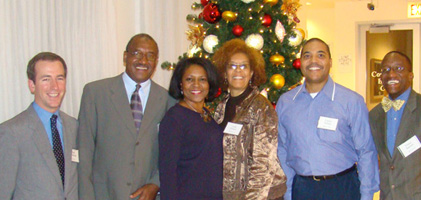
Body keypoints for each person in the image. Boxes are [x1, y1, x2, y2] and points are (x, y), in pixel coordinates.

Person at [277, 38, 379, 200]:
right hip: (302, 189)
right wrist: (289, 191)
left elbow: (366, 151)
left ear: (330, 62)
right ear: (301, 62)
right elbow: (282, 149)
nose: (314, 61)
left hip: (342, 188)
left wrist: (366, 195)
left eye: (320, 55)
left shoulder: (351, 101)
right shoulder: (286, 102)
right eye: (307, 56)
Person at [78, 33, 176, 200]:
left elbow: (172, 153)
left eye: (150, 55)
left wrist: (156, 183)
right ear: (125, 57)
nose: (143, 61)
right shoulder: (95, 93)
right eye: (137, 53)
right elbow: (84, 151)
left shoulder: (168, 100)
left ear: (156, 61)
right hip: (104, 194)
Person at [369, 51, 421, 200]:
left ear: (411, 75)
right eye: (386, 70)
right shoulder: (375, 115)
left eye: (399, 69)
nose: (392, 74)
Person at [212, 38, 287, 200]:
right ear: (224, 73)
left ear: (252, 72)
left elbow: (263, 163)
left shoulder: (261, 107)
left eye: (244, 66)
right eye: (232, 66)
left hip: (261, 195)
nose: (238, 71)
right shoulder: (221, 106)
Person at [0, 52, 78, 199]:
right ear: (32, 85)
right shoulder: (11, 132)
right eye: (46, 79)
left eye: (59, 78)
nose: (54, 86)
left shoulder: (74, 126)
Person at [158, 57, 223, 199]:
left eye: (202, 79)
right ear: (180, 84)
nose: (196, 85)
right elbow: (168, 172)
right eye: (189, 79)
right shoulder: (174, 119)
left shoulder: (205, 114)